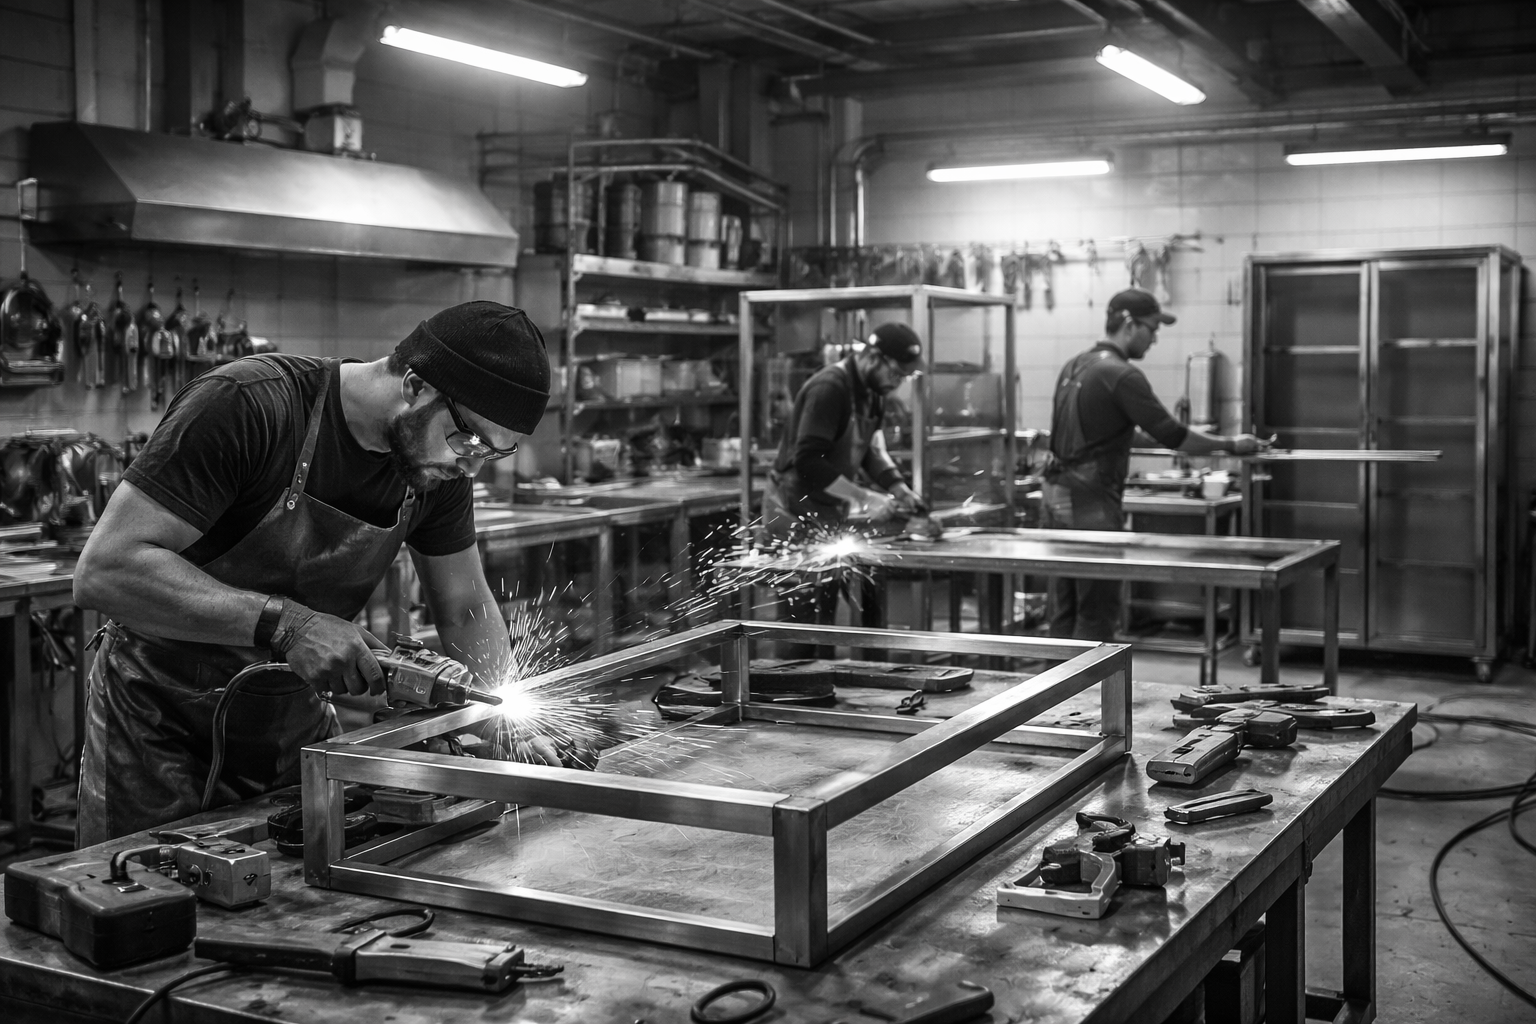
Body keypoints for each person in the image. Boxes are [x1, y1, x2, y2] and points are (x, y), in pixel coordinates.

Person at [73, 301, 552, 844]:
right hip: (158, 727)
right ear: (416, 386)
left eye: (491, 453)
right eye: (468, 441)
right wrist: (288, 625)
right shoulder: (247, 406)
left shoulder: (437, 473)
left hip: (292, 730)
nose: (469, 465)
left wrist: (502, 724)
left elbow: (465, 610)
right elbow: (105, 571)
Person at [1043, 288, 1268, 641]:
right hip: (1089, 504)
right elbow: (1172, 434)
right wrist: (1230, 445)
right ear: (1130, 325)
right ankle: (1084, 695)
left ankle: (1052, 694)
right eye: (1151, 328)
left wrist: (1177, 436)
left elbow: (1110, 434)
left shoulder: (1076, 365)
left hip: (1055, 498)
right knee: (1096, 610)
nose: (1155, 338)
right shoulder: (1121, 374)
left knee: (1063, 607)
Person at [762, 322, 925, 634]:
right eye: (896, 374)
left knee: (829, 612)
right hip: (794, 513)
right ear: (874, 357)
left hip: (828, 514)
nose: (898, 383)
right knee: (803, 626)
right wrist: (864, 498)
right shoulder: (830, 388)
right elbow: (809, 462)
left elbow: (870, 451)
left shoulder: (874, 393)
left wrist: (898, 488)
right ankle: (793, 678)